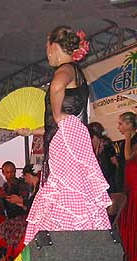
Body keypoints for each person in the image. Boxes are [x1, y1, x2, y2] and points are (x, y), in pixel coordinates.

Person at [17, 26, 111, 246]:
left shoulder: (65, 69)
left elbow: (58, 87)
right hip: (70, 135)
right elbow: (58, 122)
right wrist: (31, 131)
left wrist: (57, 112)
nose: (46, 52)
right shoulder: (76, 71)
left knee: (65, 187)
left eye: (47, 46)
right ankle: (73, 239)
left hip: (66, 140)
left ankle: (67, 242)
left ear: (53, 46)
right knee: (72, 188)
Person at [0, 164, 40, 261]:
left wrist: (20, 202)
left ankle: (9, 257)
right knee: (2, 228)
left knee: (8, 226)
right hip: (18, 216)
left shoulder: (23, 186)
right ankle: (5, 256)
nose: (10, 175)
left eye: (12, 172)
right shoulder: (5, 187)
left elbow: (31, 205)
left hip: (25, 217)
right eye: (7, 172)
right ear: (3, 173)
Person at [117, 112, 137, 261]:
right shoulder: (125, 142)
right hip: (128, 184)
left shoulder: (133, 140)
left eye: (122, 124)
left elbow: (129, 156)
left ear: (130, 124)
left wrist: (129, 137)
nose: (119, 127)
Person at [88, 122, 119, 194]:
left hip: (106, 175)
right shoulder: (106, 143)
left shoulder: (105, 145)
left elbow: (114, 161)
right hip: (107, 175)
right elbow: (115, 162)